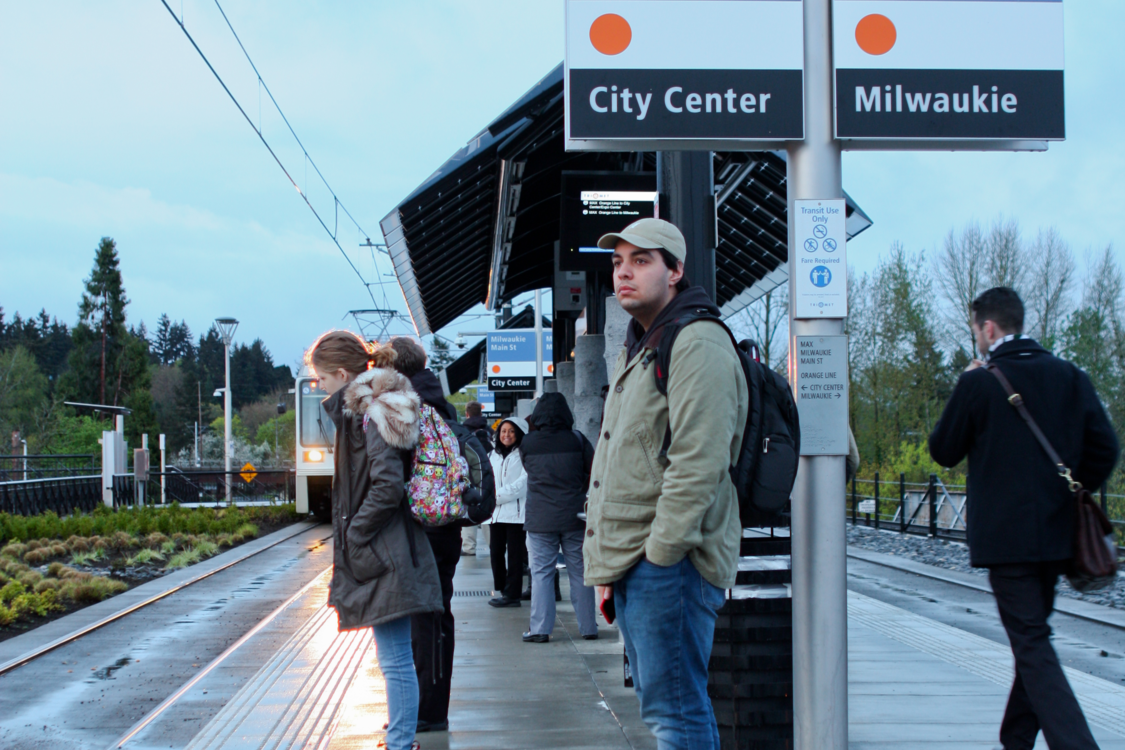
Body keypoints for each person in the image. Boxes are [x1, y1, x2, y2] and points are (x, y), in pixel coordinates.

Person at [929, 287, 1118, 750]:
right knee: (1032, 640)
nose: (977, 337)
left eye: (976, 330)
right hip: (1058, 538)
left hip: (1005, 543)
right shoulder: (1069, 375)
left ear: (988, 329)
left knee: (1032, 645)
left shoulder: (980, 381)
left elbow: (943, 450)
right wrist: (1072, 490)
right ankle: (1015, 741)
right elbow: (1107, 448)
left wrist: (965, 382)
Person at [583, 218, 748, 750]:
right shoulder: (644, 344)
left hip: (669, 565)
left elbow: (700, 462)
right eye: (617, 262)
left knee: (675, 715)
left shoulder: (696, 341)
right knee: (667, 711)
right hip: (640, 561)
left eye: (641, 261)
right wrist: (612, 563)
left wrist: (659, 555)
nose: (623, 273)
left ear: (675, 271)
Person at [309, 331, 442, 750]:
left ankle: (401, 742)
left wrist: (356, 531)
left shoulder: (369, 416)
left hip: (387, 549)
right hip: (390, 546)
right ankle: (401, 739)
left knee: (396, 659)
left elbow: (388, 485)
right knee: (396, 655)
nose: (321, 387)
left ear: (343, 373)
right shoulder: (368, 411)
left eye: (322, 379)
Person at [387, 336, 461, 734]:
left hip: (422, 527)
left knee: (426, 618)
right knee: (434, 614)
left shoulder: (410, 408)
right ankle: (428, 706)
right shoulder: (440, 403)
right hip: (442, 526)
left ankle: (428, 709)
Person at [520, 393, 597, 643]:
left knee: (541, 573)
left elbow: (528, 470)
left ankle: (540, 629)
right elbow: (593, 469)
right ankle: (588, 627)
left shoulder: (528, 443)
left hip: (540, 517)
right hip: (574, 515)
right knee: (579, 572)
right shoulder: (577, 439)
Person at [487, 416, 529, 607]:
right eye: (503, 431)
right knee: (495, 552)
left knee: (515, 555)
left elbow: (522, 483)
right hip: (495, 514)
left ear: (519, 433)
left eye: (511, 431)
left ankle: (513, 595)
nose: (507, 435)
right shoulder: (491, 455)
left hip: (516, 514)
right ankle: (503, 589)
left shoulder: (524, 454)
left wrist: (495, 496)